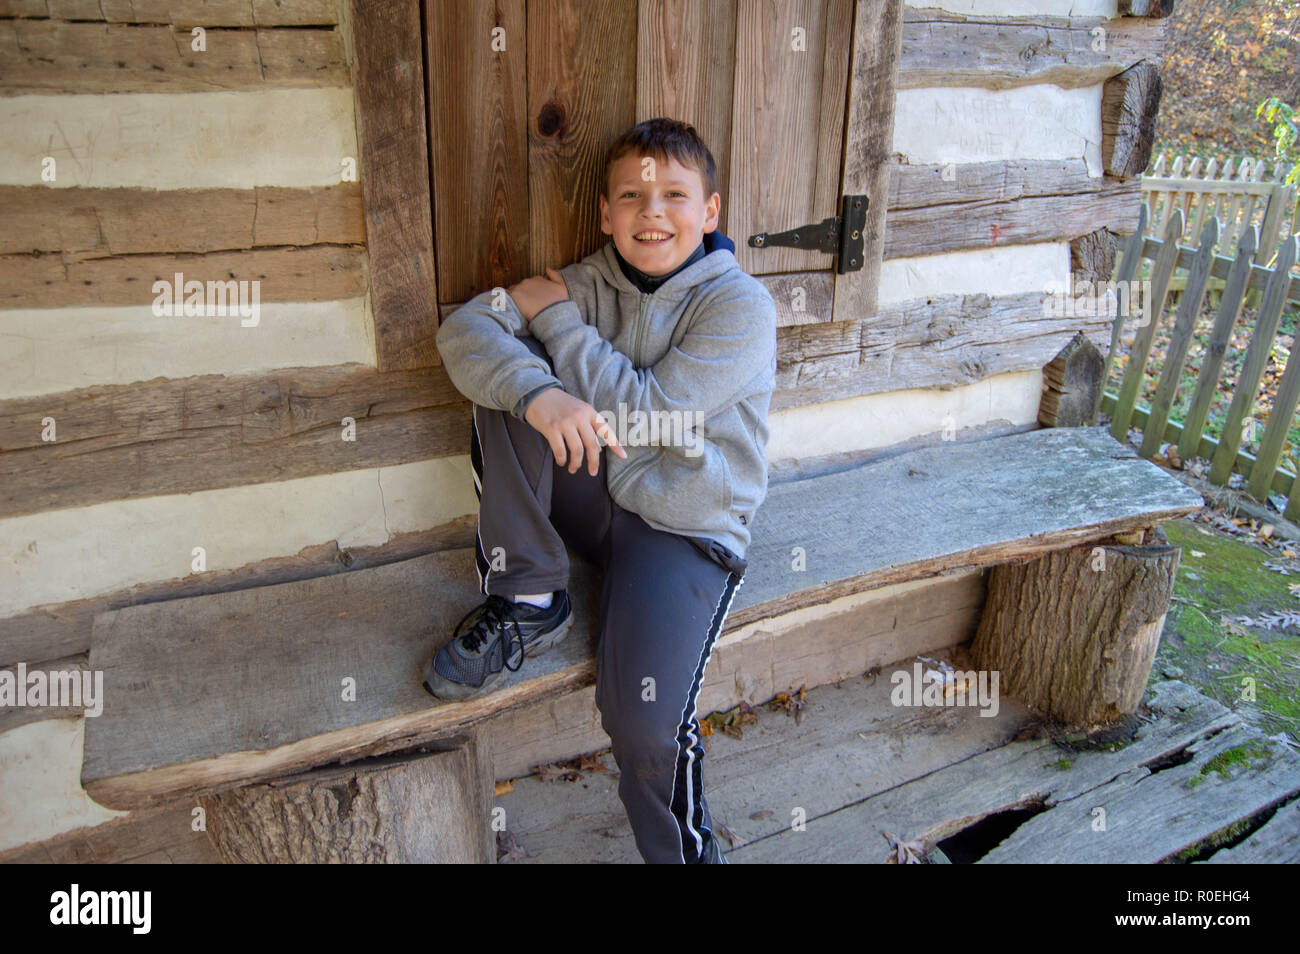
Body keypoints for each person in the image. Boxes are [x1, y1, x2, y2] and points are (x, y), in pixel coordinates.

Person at [426, 117, 777, 864]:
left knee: (645, 721)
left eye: (675, 195)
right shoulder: (587, 282)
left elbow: (651, 413)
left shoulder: (740, 307)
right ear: (607, 215)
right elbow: (463, 332)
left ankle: (682, 855)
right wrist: (539, 394)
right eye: (632, 196)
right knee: (508, 379)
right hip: (592, 501)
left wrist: (556, 322)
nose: (653, 213)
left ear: (709, 213)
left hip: (682, 526)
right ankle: (530, 597)